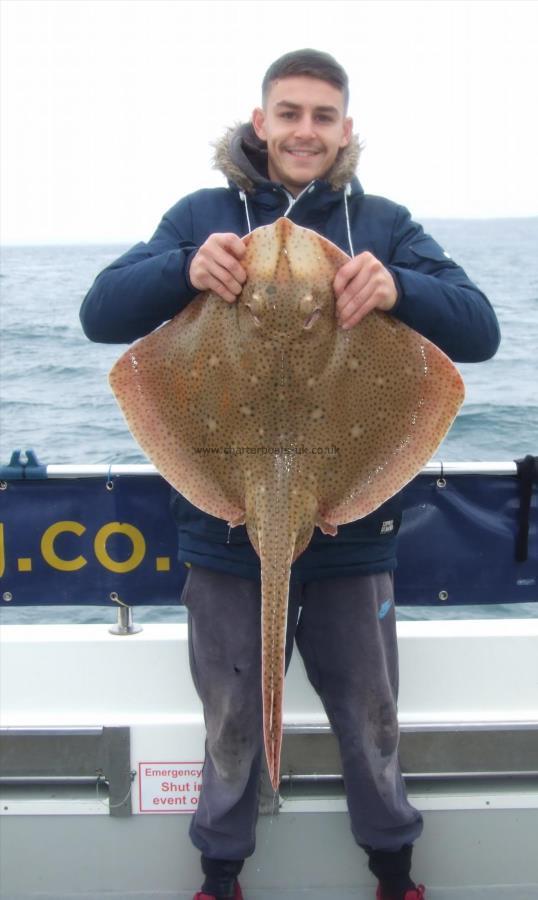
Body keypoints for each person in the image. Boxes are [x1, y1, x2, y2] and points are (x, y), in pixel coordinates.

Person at [80, 49, 500, 900]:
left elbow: (480, 329)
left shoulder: (380, 223)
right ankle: (221, 873)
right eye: (289, 112)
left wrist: (396, 287)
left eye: (322, 115)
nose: (304, 129)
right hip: (225, 528)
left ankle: (394, 870)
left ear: (346, 130)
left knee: (373, 720)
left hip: (352, 532)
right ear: (261, 120)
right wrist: (186, 268)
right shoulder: (201, 214)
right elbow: (101, 312)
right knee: (231, 719)